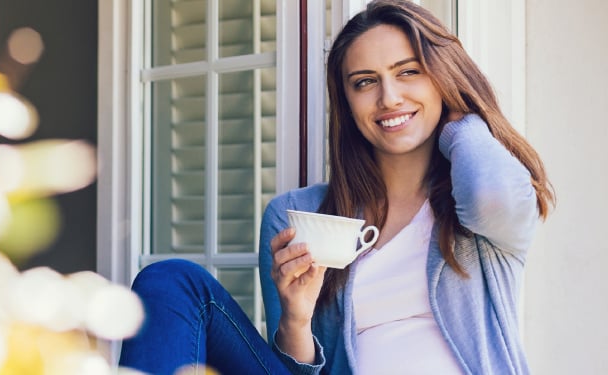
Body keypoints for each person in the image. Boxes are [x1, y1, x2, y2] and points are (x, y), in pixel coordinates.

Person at [118, 1, 554, 374]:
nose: (389, 98)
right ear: (346, 101)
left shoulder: (478, 207)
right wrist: (296, 319)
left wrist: (461, 124)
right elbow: (295, 370)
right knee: (171, 281)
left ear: (444, 77)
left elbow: (492, 198)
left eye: (409, 72)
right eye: (365, 82)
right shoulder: (300, 213)